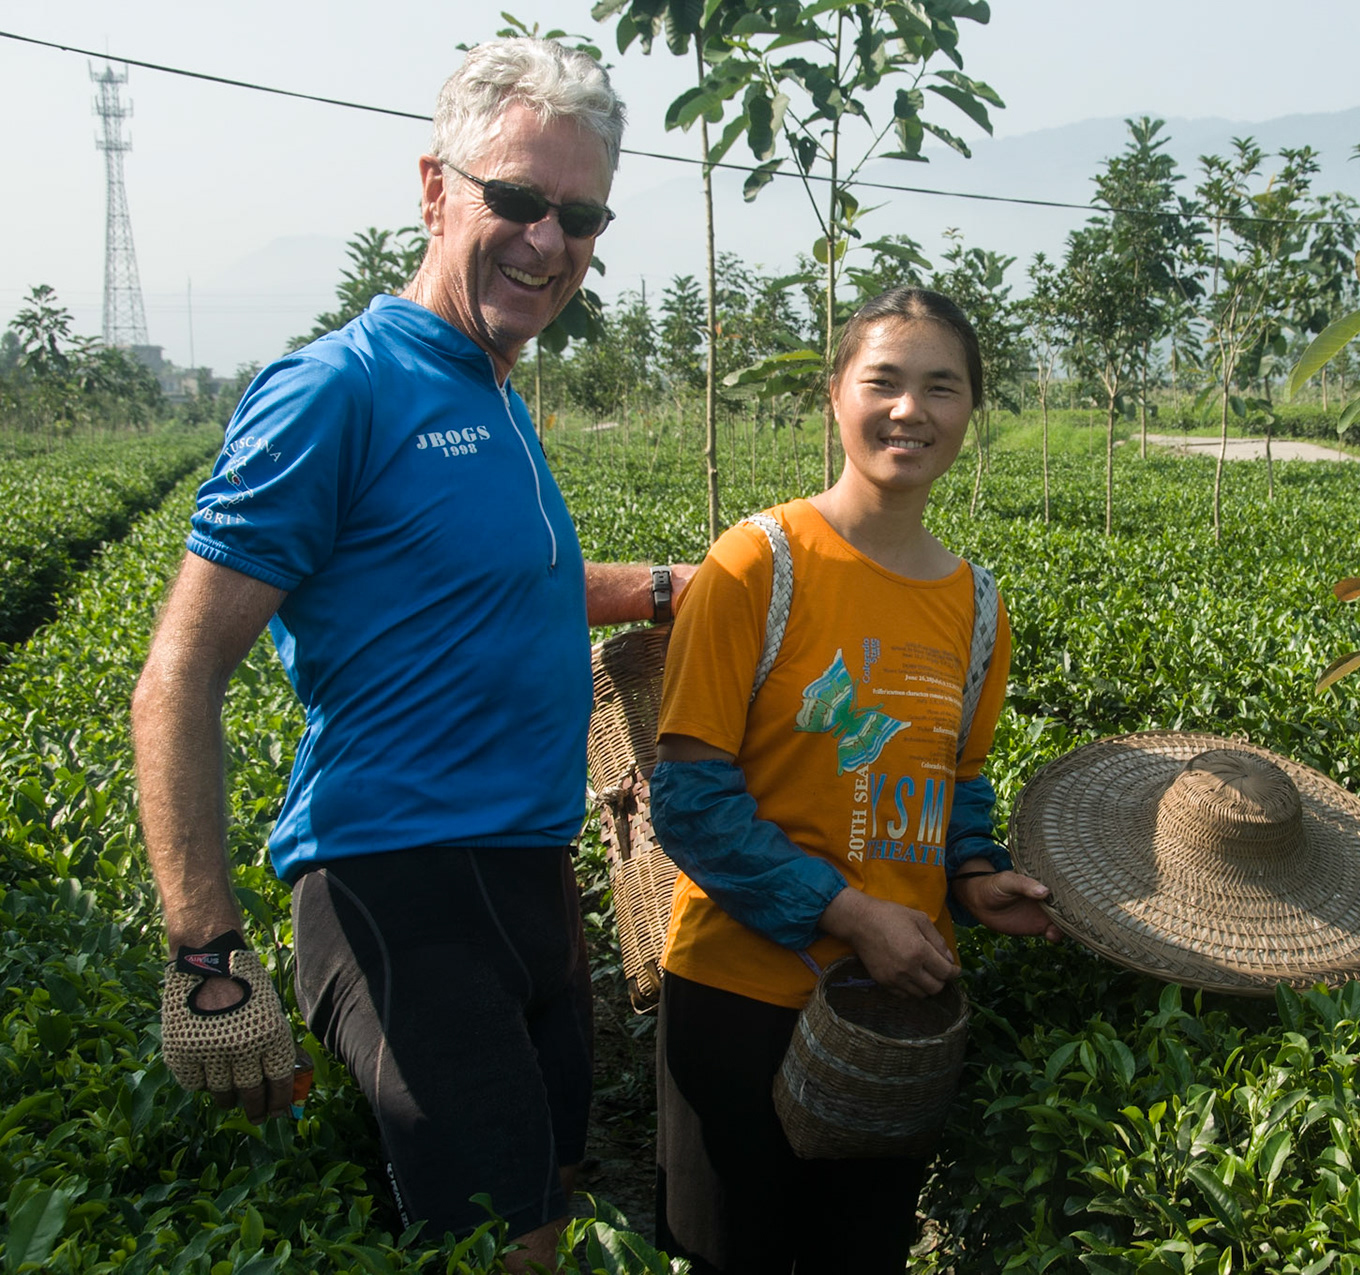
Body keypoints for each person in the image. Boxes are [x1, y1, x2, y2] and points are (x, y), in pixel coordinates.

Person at [130, 38, 687, 1272]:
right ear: (436, 189)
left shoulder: (495, 391)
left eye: (581, 215)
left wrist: (662, 590)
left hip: (529, 877)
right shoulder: (337, 389)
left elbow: (491, 585)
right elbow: (178, 674)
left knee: (536, 1213)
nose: (549, 242)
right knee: (499, 1247)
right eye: (519, 201)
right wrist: (207, 955)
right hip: (398, 885)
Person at [647, 287, 1062, 1274]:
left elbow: (957, 777)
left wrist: (972, 874)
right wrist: (847, 914)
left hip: (894, 1012)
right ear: (836, 396)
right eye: (883, 381)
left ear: (972, 412)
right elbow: (692, 802)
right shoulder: (757, 564)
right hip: (741, 995)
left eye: (941, 387)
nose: (909, 410)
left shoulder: (976, 605)